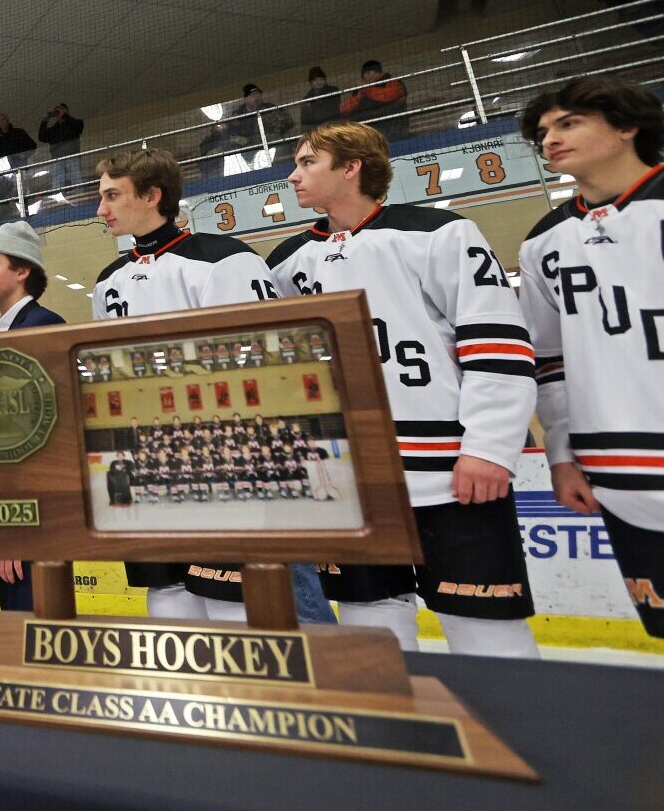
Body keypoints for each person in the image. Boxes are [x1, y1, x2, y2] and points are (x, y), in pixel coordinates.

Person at [270, 122, 539, 657]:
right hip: (349, 477)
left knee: (486, 627)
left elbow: (497, 343)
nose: (292, 176)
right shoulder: (284, 263)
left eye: (307, 163)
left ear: (352, 167)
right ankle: (396, 734)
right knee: (370, 629)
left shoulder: (440, 233)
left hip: (451, 470)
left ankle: (518, 739)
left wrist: (488, 446)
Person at [93, 148, 333, 625]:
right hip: (149, 460)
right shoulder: (108, 281)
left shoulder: (226, 260)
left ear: (152, 195)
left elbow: (262, 369)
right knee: (170, 591)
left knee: (266, 600)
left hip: (233, 457)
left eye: (112, 196)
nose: (101, 210)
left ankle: (319, 692)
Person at [517, 76, 664, 638]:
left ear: (627, 126)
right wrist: (560, 452)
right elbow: (548, 360)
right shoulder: (543, 242)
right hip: (617, 473)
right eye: (543, 131)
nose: (549, 139)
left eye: (568, 123)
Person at [0, 221, 66, 612]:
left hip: (32, 518)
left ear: (22, 270)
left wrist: (15, 531)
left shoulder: (41, 327)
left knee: (36, 628)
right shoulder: (2, 332)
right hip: (11, 515)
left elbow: (39, 442)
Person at [340, 60, 410, 139]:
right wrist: (357, 99)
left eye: (374, 72)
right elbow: (344, 110)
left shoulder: (391, 82)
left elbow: (387, 96)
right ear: (363, 77)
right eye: (367, 73)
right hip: (369, 130)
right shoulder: (359, 92)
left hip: (391, 126)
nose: (371, 76)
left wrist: (367, 90)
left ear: (380, 73)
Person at [38, 102, 86, 191]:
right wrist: (44, 121)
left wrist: (64, 116)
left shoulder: (74, 123)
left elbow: (79, 127)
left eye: (61, 110)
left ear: (67, 111)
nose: (58, 113)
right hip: (57, 158)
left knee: (76, 177)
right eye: (56, 111)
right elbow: (42, 137)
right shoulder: (53, 129)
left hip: (72, 155)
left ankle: (79, 195)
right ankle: (58, 199)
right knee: (57, 180)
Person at [300, 66, 341, 130]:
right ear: (311, 83)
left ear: (325, 80)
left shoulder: (333, 90)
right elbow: (305, 119)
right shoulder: (307, 98)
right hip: (317, 128)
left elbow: (335, 108)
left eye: (321, 79)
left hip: (333, 124)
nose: (319, 82)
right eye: (315, 80)